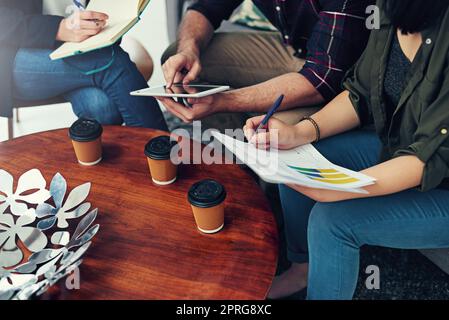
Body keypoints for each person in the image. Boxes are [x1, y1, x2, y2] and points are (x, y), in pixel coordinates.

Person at [244, 0, 449, 300]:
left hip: (439, 179)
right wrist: (299, 132)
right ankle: (304, 269)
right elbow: (359, 92)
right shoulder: (386, 10)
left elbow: (428, 157)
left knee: (331, 222)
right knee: (297, 154)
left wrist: (339, 189)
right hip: (400, 142)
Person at [159, 0, 374, 132]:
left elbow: (320, 79)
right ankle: (239, 159)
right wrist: (189, 49)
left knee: (273, 128)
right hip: (294, 48)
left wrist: (224, 101)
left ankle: (267, 186)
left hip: (348, 74)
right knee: (177, 56)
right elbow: (205, 8)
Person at [0, 0, 168, 131]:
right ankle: (160, 156)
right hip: (14, 53)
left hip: (78, 48)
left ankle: (115, 171)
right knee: (111, 62)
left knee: (103, 108)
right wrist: (59, 28)